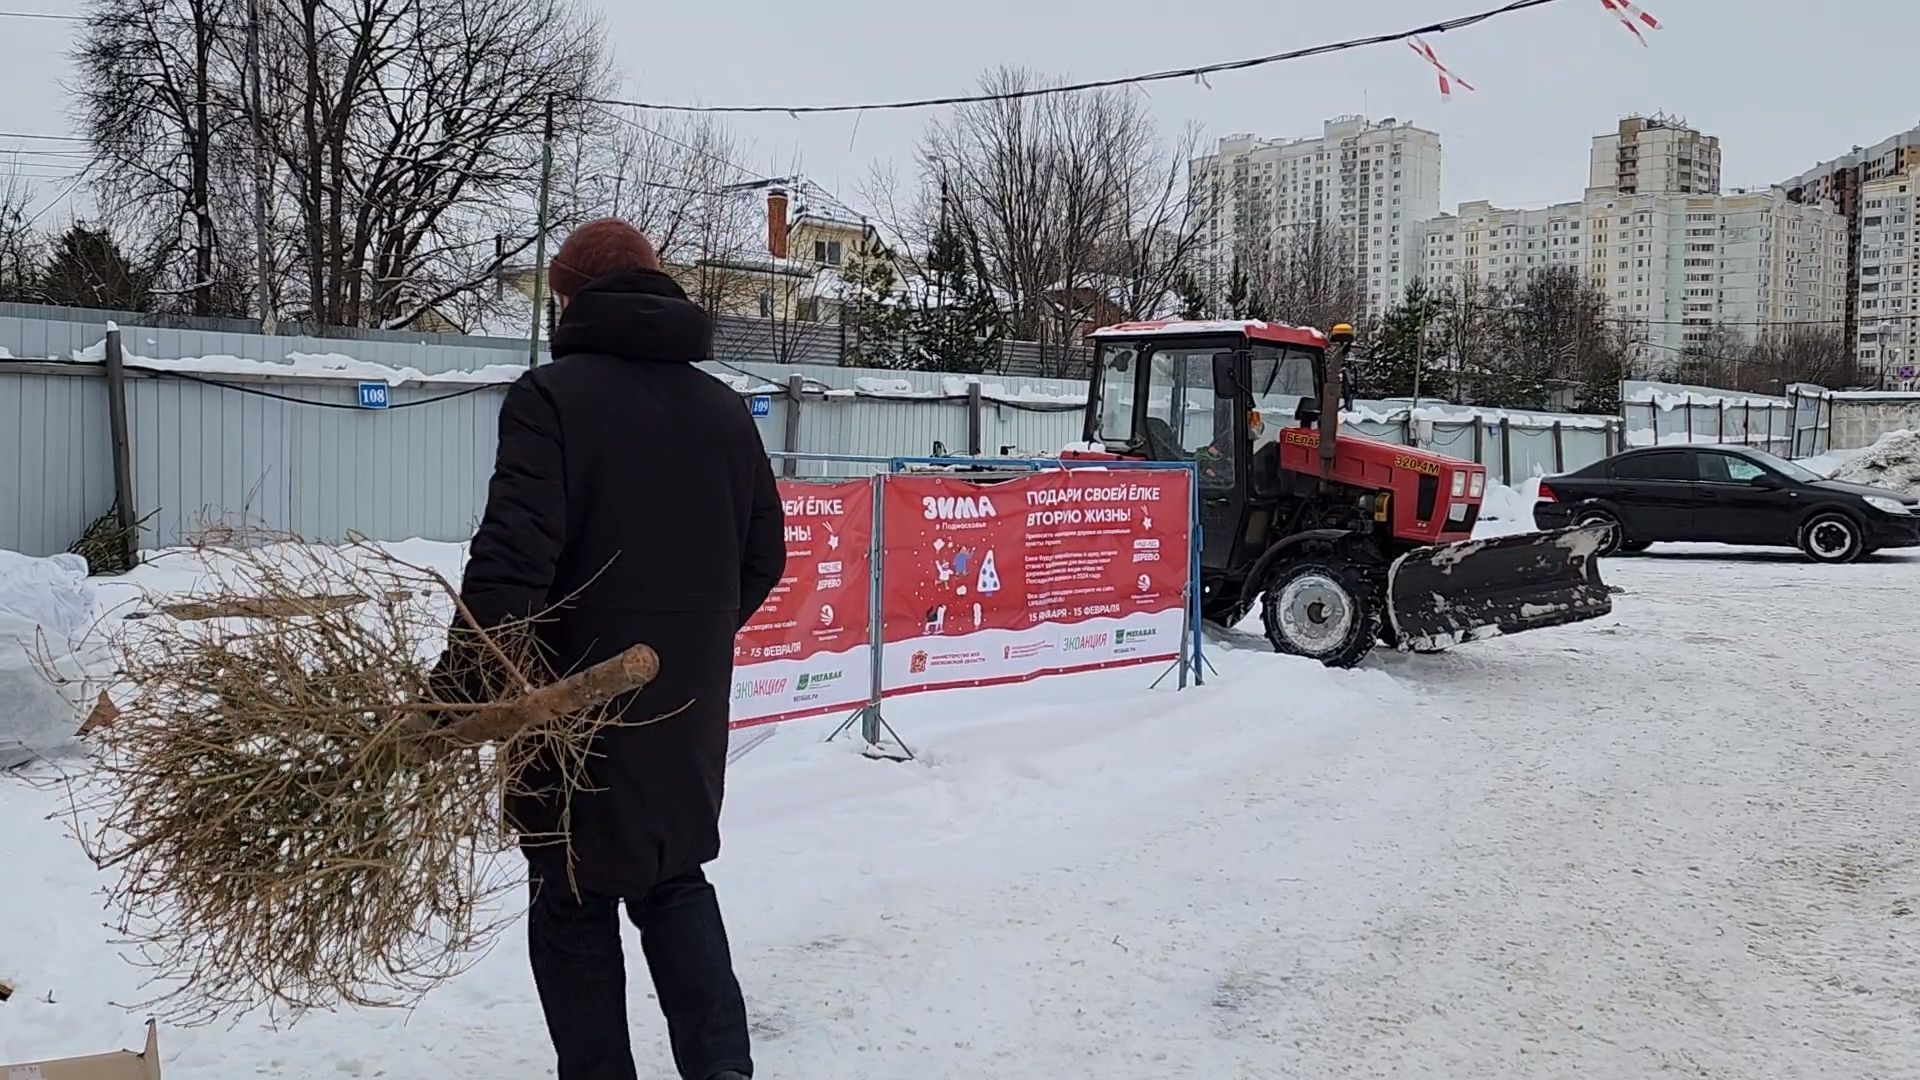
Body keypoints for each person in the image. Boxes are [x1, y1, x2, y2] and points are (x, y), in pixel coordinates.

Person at [439, 218, 785, 1080]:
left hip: (568, 712)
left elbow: (511, 561)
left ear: (568, 299)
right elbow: (763, 556)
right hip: (682, 709)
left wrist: (458, 693)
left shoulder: (552, 397)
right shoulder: (724, 409)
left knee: (571, 899)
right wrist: (691, 640)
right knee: (673, 885)